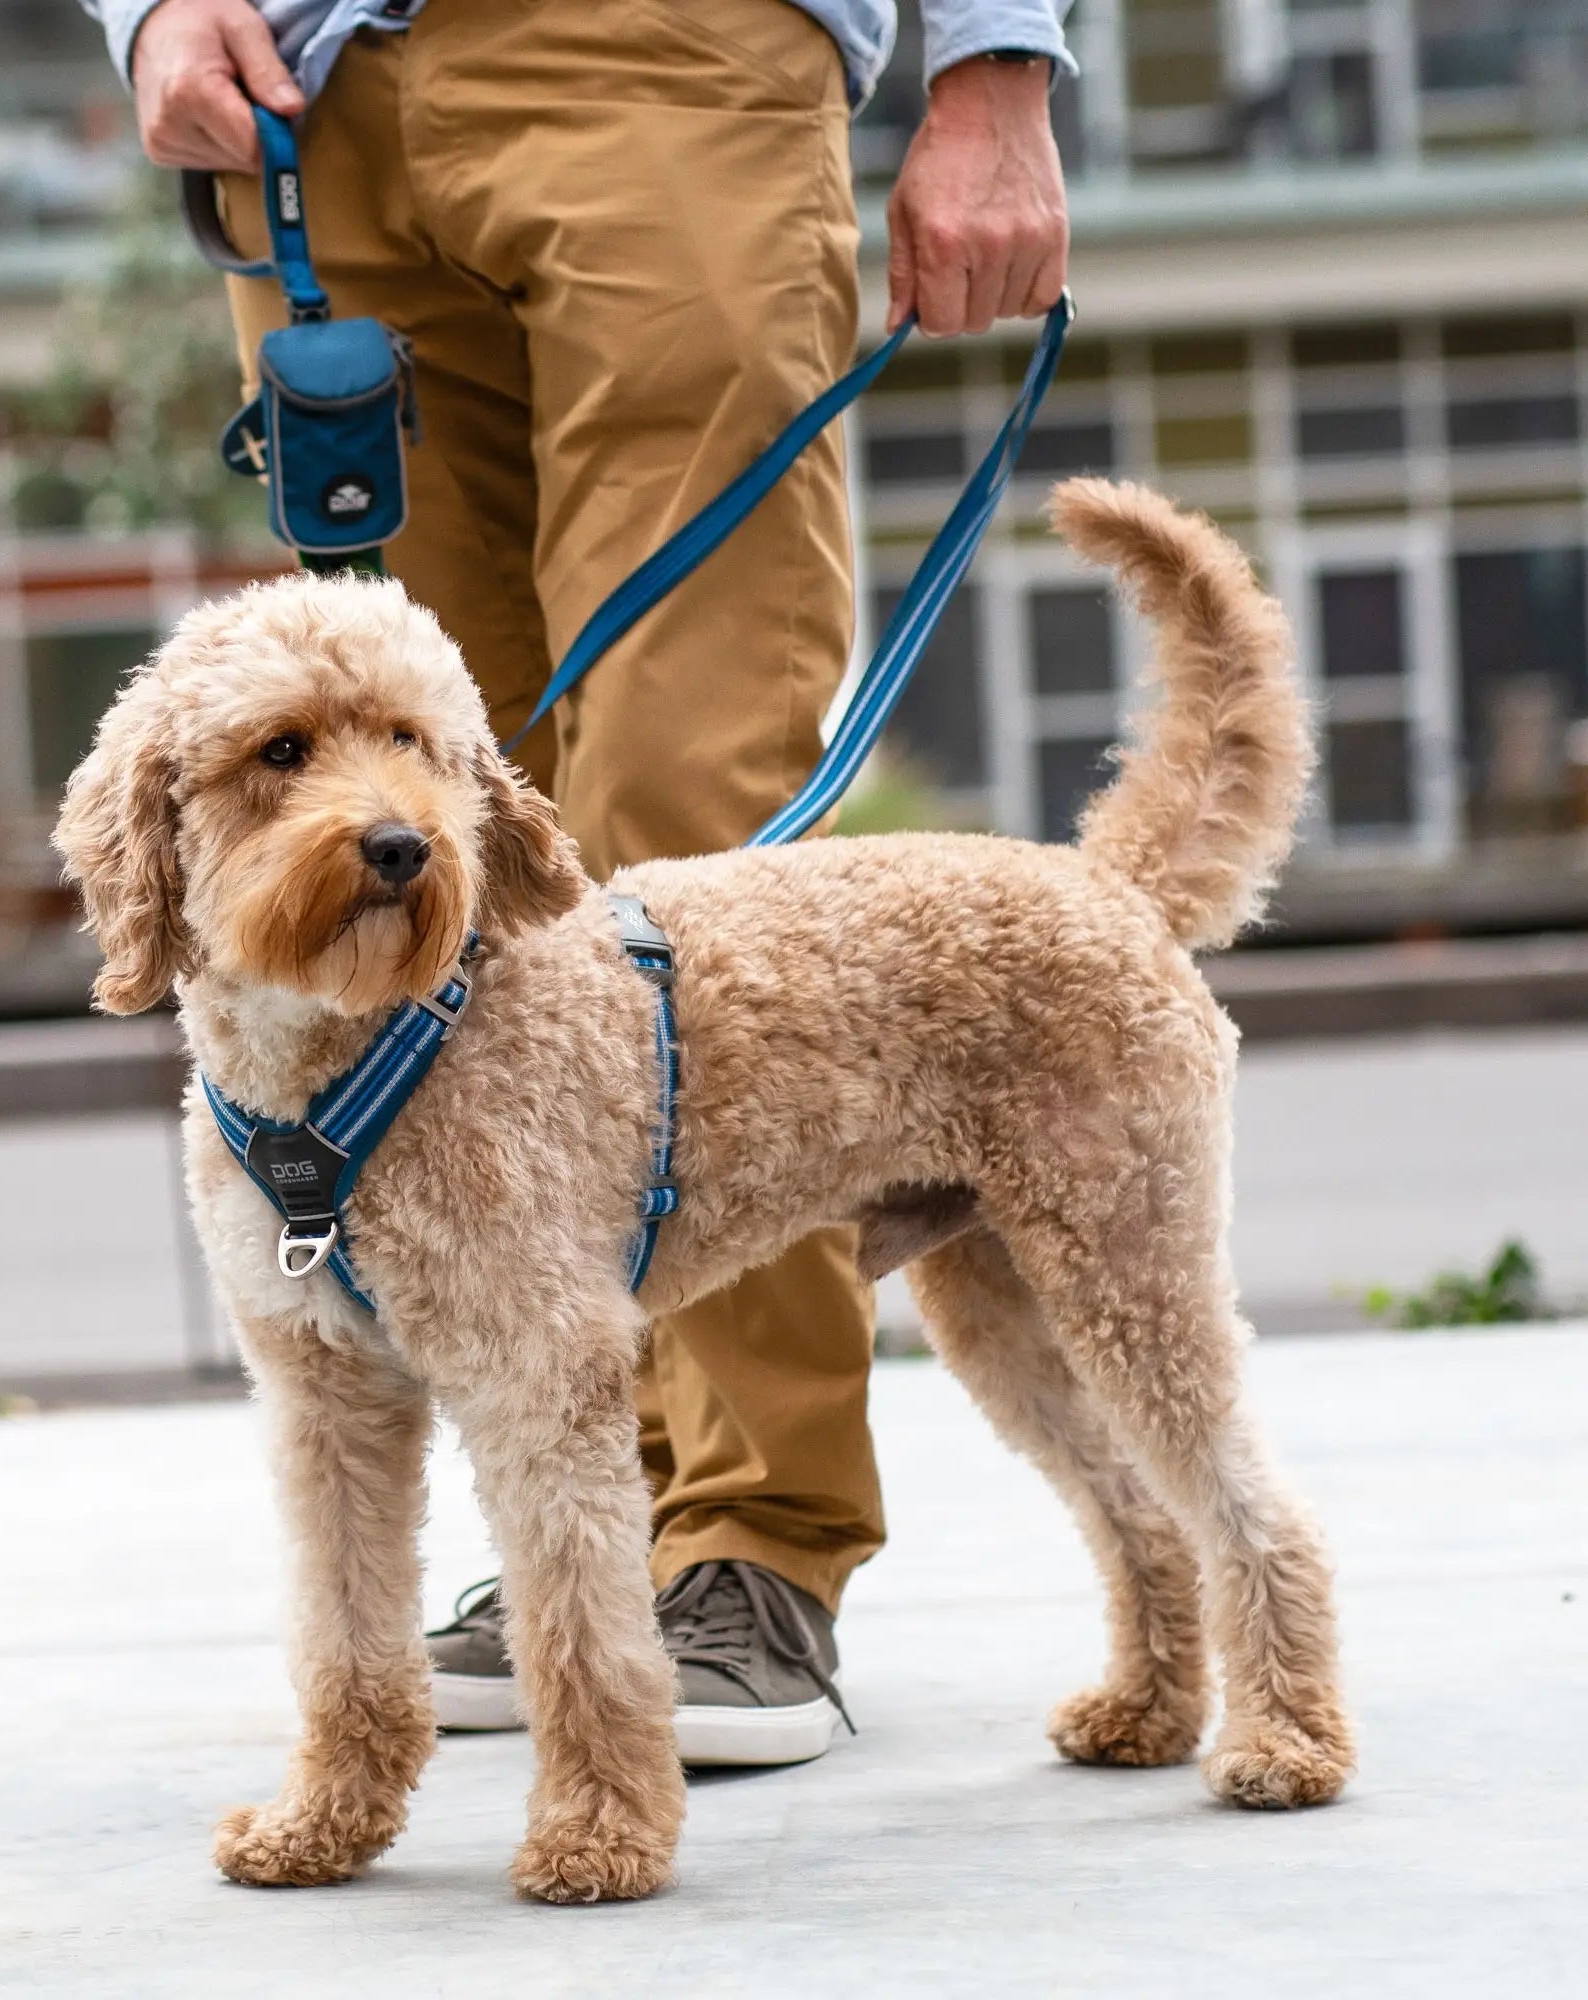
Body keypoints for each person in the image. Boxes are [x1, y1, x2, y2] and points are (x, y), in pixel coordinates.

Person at [83, 0, 1073, 1766]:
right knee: (409, 829)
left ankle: (749, 1540)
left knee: (693, 813)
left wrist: (996, 64)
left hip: (670, 53)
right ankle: (591, 1543)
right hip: (313, 97)